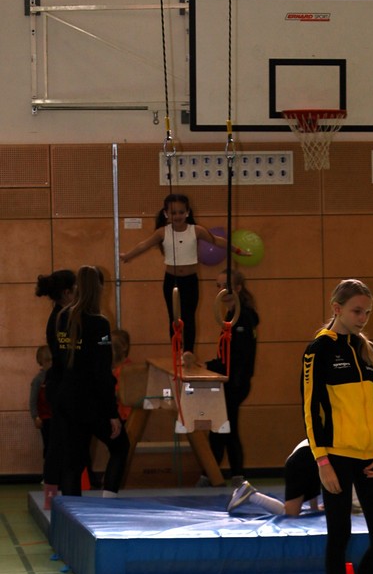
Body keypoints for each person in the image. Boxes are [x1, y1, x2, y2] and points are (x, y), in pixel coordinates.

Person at [302, 278, 373, 574]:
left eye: (367, 312)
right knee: (339, 537)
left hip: (370, 458)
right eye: (357, 311)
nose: (362, 318)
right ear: (337, 308)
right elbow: (310, 408)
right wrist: (322, 461)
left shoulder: (367, 351)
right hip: (337, 457)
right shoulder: (319, 350)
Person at [120, 193, 241, 353]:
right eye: (173, 213)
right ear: (166, 214)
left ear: (187, 212)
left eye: (181, 212)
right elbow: (144, 245)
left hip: (190, 280)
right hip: (171, 280)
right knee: (174, 318)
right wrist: (128, 256)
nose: (177, 216)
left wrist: (236, 250)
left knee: (189, 318)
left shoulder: (196, 230)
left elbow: (217, 240)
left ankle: (188, 353)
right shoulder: (162, 232)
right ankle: (176, 352)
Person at [49, 265, 129, 498]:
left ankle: (71, 512)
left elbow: (59, 360)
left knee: (72, 463)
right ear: (99, 289)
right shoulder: (99, 323)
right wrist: (112, 413)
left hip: (67, 398)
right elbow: (101, 371)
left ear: (76, 288)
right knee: (120, 446)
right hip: (90, 402)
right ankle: (109, 500)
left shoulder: (62, 317)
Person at [208, 269, 259, 481]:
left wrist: (214, 366)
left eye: (226, 286)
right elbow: (228, 354)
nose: (222, 290)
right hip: (231, 379)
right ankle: (231, 473)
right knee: (225, 427)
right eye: (218, 286)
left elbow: (239, 355)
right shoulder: (232, 316)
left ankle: (213, 474)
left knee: (222, 427)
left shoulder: (243, 317)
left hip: (236, 382)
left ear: (238, 288)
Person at [36, 269, 77, 502]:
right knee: (59, 443)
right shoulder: (61, 318)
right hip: (61, 387)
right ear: (67, 292)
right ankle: (51, 496)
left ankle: (52, 494)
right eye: (75, 289)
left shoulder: (63, 314)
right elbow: (66, 355)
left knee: (60, 443)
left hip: (61, 385)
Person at [228, 438, 322, 517]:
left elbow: (315, 472)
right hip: (301, 462)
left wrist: (314, 507)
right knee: (290, 514)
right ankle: (252, 495)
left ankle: (250, 494)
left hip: (303, 460)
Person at [29, 345, 53, 475]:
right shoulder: (38, 380)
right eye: (47, 361)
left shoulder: (57, 377)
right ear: (41, 362)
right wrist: (35, 417)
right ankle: (48, 474)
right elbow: (33, 401)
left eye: (52, 360)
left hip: (58, 417)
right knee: (48, 446)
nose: (50, 364)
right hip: (45, 418)